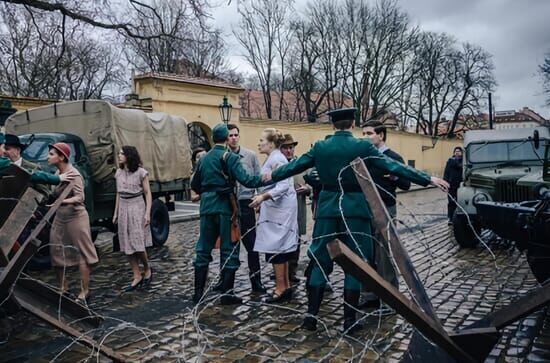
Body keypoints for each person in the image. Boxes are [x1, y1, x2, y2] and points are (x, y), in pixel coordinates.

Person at [262, 108, 449, 333]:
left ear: (333, 125)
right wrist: (427, 177)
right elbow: (394, 166)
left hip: (328, 209)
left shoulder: (321, 147)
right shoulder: (362, 146)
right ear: (353, 124)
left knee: (319, 260)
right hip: (356, 210)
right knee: (356, 262)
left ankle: (311, 316)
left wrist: (268, 176)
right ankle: (350, 320)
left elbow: (293, 167)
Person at [190, 123, 264, 306]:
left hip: (206, 207)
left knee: (203, 249)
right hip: (226, 207)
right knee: (229, 248)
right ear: (225, 138)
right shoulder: (229, 157)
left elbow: (195, 185)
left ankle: (198, 293)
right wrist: (267, 177)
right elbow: (247, 180)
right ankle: (227, 293)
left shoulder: (203, 158)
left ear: (213, 138)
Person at [361, 120, 411, 308]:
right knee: (367, 252)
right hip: (365, 209)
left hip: (385, 208)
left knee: (384, 253)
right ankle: (369, 294)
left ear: (381, 135)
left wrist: (394, 175)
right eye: (363, 133)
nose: (365, 137)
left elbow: (406, 184)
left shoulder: (393, 158)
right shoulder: (363, 158)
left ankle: (389, 297)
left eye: (369, 133)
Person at [249, 128, 298, 303]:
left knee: (277, 248)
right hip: (276, 210)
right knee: (280, 248)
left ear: (270, 143)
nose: (259, 143)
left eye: (262, 140)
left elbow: (283, 185)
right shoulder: (274, 157)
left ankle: (280, 287)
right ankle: (284, 286)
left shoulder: (277, 158)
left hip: (279, 211)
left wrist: (262, 197)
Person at [48, 143, 98, 304]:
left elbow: (80, 197)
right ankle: (63, 287)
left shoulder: (74, 174)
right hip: (61, 216)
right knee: (55, 248)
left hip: (76, 216)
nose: (47, 157)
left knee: (82, 252)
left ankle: (85, 291)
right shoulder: (58, 173)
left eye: (51, 154)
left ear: (61, 156)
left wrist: (61, 202)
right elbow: (53, 192)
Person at [224, 124, 266, 293]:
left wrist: (260, 200)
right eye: (230, 136)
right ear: (226, 139)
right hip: (229, 204)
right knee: (231, 244)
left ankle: (256, 280)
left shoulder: (250, 156)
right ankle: (226, 283)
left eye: (236, 135)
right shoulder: (223, 157)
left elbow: (258, 177)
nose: (233, 138)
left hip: (246, 203)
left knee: (252, 244)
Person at [113, 146, 153, 292]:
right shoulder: (118, 173)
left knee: (137, 242)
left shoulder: (141, 173)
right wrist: (115, 212)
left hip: (136, 205)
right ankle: (136, 275)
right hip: (123, 206)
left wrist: (147, 213)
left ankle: (147, 268)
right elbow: (118, 193)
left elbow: (148, 193)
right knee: (126, 243)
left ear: (129, 156)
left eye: (122, 153)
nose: (119, 155)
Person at [280, 134, 311, 283]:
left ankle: (292, 270)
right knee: (281, 240)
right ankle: (280, 270)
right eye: (285, 148)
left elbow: (311, 183)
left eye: (291, 148)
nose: (288, 151)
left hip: (298, 208)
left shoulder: (301, 165)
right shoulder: (278, 164)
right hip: (281, 210)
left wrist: (307, 189)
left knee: (296, 240)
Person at [444, 146, 464, 224]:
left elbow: (461, 167)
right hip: (451, 184)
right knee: (451, 202)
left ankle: (460, 218)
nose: (457, 152)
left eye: (459, 151)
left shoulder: (463, 162)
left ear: (462, 153)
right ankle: (451, 218)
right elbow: (446, 172)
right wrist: (445, 182)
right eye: (456, 151)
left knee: (460, 201)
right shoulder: (450, 161)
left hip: (460, 185)